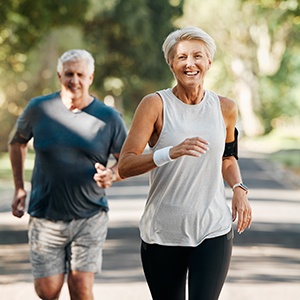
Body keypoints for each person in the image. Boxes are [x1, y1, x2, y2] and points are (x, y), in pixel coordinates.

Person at [118, 27, 252, 300]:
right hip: (162, 232)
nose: (190, 64)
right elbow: (125, 165)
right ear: (171, 63)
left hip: (212, 228)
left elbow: (227, 156)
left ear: (209, 62)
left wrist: (238, 187)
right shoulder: (154, 105)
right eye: (181, 57)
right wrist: (170, 152)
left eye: (197, 56)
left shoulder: (225, 108)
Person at [9, 49, 127, 300]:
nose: (75, 80)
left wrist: (112, 175)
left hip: (90, 214)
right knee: (47, 290)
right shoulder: (39, 109)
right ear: (59, 75)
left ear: (91, 77)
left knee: (81, 287)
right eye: (69, 74)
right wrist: (20, 187)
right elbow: (17, 143)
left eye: (80, 74)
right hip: (45, 214)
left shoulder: (109, 118)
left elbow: (126, 162)